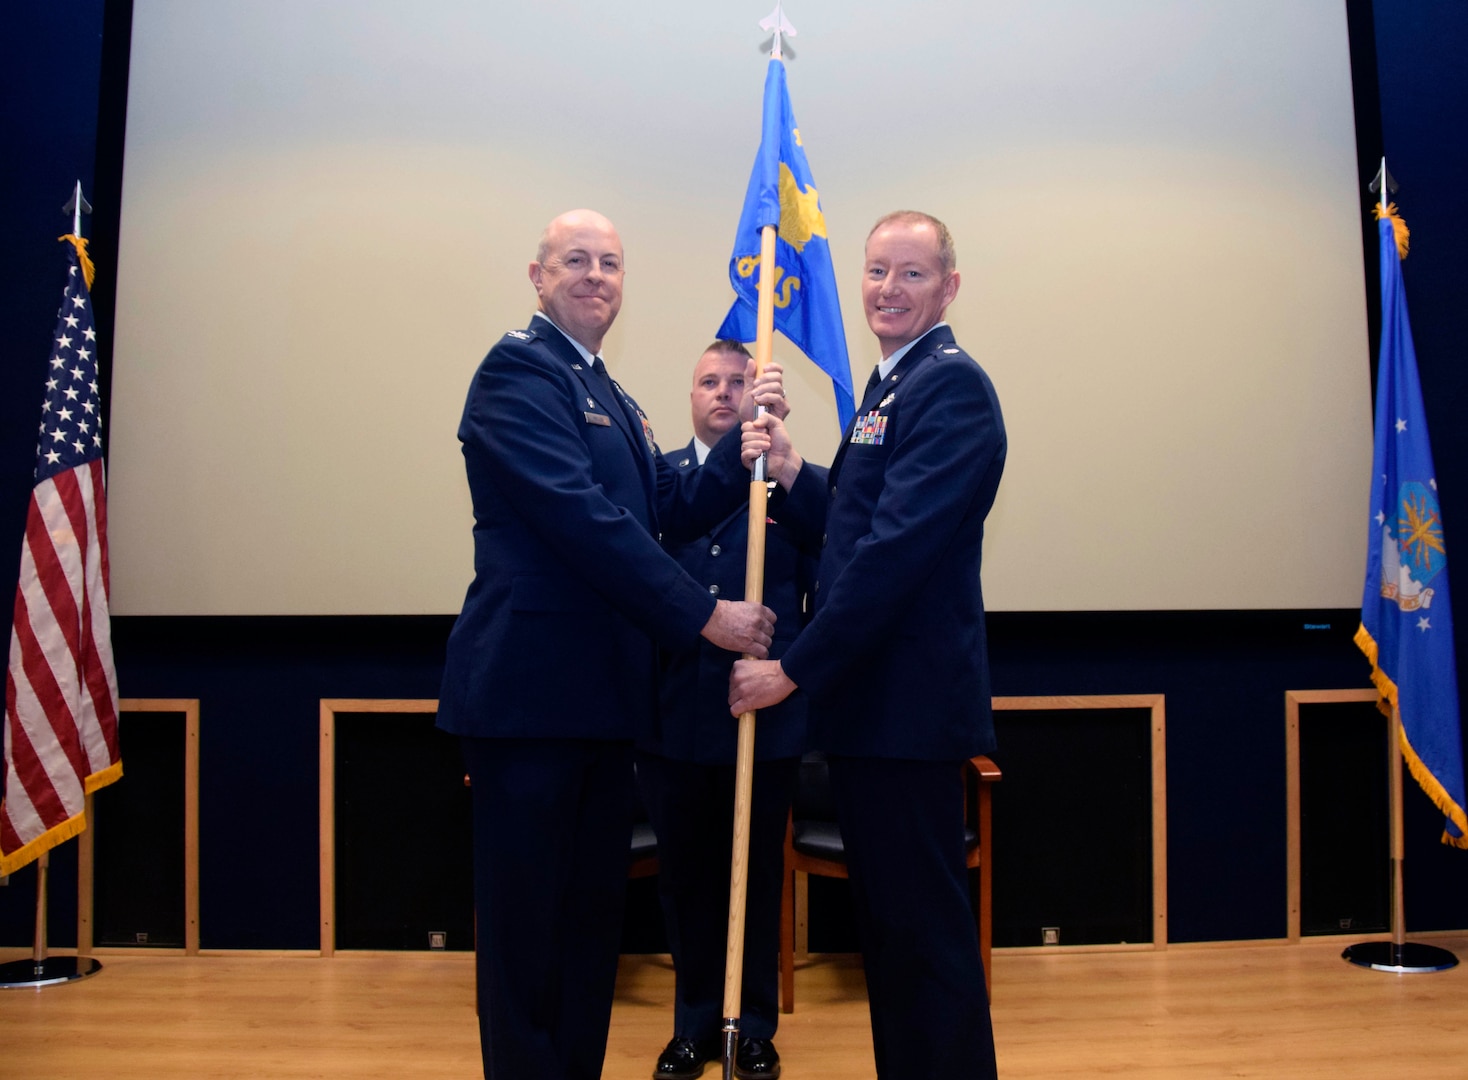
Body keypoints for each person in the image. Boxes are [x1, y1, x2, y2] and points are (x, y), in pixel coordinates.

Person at [437, 209, 784, 1080]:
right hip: (529, 703)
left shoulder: (608, 391)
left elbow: (664, 503)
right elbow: (584, 522)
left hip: (598, 707)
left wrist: (745, 454)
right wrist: (705, 616)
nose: (597, 276)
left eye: (612, 264)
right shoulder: (520, 372)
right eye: (577, 261)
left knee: (587, 937)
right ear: (538, 274)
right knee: (529, 943)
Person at [729, 211, 1006, 1079]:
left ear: (950, 287)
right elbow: (855, 522)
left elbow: (893, 558)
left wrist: (792, 669)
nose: (889, 290)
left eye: (912, 275)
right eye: (877, 272)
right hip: (873, 715)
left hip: (906, 716)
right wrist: (789, 469)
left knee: (923, 945)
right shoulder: (893, 386)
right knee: (894, 944)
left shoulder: (950, 388)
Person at [636, 341, 827, 1080]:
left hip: (764, 717)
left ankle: (749, 1026)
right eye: (709, 382)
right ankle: (691, 1026)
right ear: (690, 396)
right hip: (676, 713)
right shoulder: (663, 484)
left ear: (761, 393)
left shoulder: (790, 487)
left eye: (738, 381)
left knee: (756, 875)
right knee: (687, 881)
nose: (723, 393)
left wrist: (788, 667)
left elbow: (827, 590)